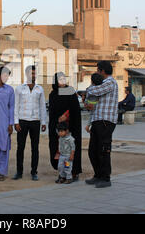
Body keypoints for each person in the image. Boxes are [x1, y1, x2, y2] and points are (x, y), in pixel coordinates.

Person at [85, 61, 119, 189]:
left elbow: (94, 91)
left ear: (103, 71)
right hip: (97, 120)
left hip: (106, 121)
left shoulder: (110, 82)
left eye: (98, 70)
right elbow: (92, 99)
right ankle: (98, 175)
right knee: (93, 150)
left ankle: (105, 178)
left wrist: (89, 89)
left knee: (104, 150)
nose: (97, 73)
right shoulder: (101, 83)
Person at [13, 65, 47, 181]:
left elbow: (42, 106)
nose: (33, 75)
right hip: (22, 121)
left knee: (35, 148)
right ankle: (19, 172)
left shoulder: (39, 89)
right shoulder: (19, 89)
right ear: (26, 74)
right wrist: (16, 122)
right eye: (31, 73)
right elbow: (16, 106)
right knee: (20, 147)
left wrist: (43, 122)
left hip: (35, 121)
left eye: (34, 73)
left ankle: (34, 172)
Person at [48, 72, 82, 181]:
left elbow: (75, 110)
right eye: (59, 79)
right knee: (59, 151)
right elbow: (52, 112)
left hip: (70, 128)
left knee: (69, 151)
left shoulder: (70, 91)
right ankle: (62, 173)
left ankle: (72, 172)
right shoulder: (53, 94)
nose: (62, 81)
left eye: (63, 79)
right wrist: (57, 120)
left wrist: (66, 115)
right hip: (58, 129)